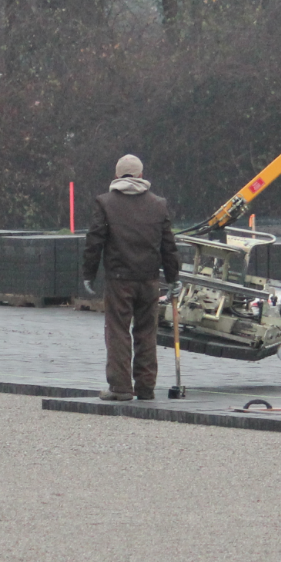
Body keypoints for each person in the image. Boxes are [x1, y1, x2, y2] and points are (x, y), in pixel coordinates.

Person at [81, 154, 180, 401]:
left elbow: (94, 241)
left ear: (116, 176)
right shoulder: (158, 204)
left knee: (118, 332)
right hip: (149, 281)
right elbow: (168, 245)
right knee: (147, 333)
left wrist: (88, 275)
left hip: (118, 280)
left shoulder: (105, 203)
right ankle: (146, 387)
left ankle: (121, 388)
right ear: (141, 176)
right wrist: (174, 277)